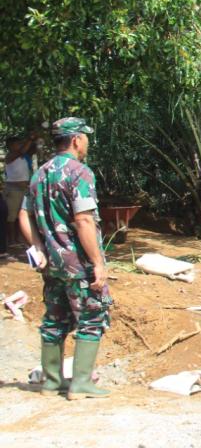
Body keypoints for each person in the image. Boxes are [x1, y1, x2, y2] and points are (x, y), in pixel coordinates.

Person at [18, 117, 112, 399]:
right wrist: (97, 263)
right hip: (78, 263)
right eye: (85, 137)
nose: (87, 143)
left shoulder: (40, 173)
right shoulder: (79, 172)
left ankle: (50, 382)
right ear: (75, 140)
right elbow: (84, 220)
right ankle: (81, 383)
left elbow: (24, 214)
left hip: (52, 264)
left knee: (54, 320)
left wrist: (38, 247)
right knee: (92, 315)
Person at [4, 133, 37, 245]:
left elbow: (29, 150)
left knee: (21, 215)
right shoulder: (10, 156)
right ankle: (11, 240)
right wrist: (30, 138)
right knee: (11, 217)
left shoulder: (23, 156)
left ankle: (18, 239)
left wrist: (35, 139)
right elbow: (22, 151)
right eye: (17, 144)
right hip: (13, 190)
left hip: (23, 190)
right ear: (11, 146)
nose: (20, 145)